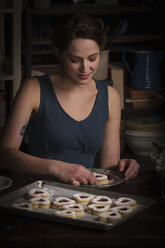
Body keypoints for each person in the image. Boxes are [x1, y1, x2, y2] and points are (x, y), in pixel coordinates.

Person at [0, 14, 139, 186]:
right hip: (39, 195)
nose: (85, 68)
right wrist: (58, 168)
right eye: (75, 60)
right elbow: (5, 155)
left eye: (93, 58)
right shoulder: (34, 89)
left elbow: (107, 169)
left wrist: (123, 167)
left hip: (86, 200)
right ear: (59, 53)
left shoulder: (110, 97)